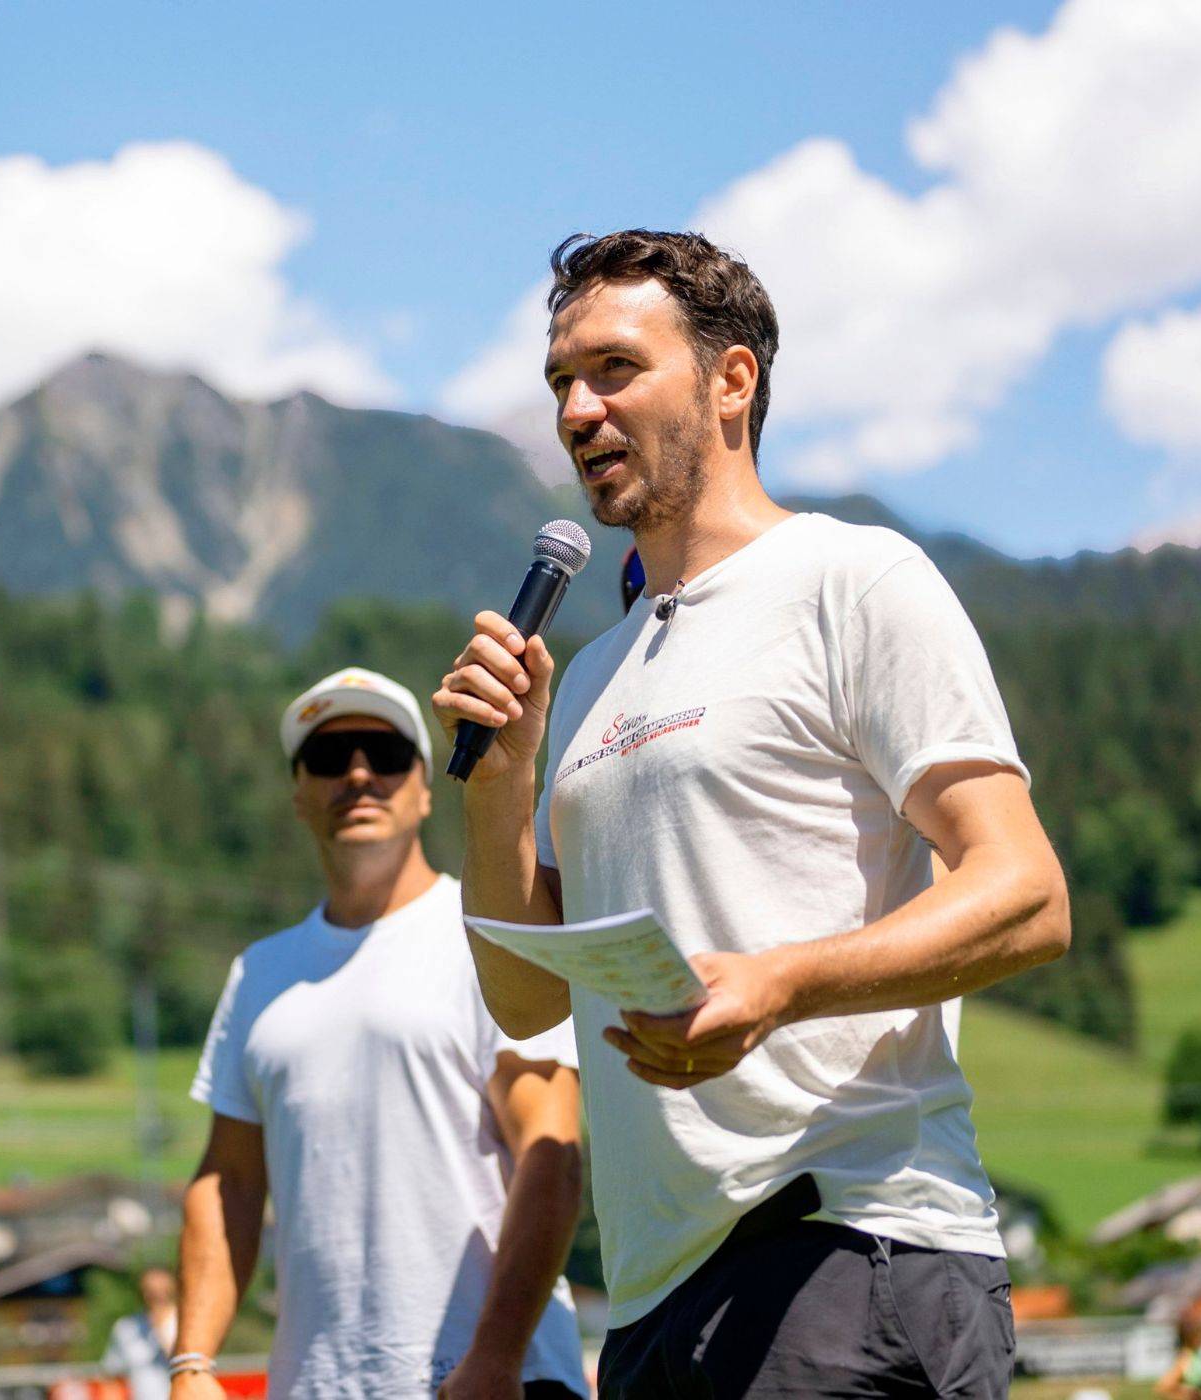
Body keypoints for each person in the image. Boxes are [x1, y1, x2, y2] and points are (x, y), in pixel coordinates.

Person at [434, 229, 1071, 1398]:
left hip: (846, 1251)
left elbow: (1024, 894)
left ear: (731, 381)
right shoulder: (589, 676)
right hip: (652, 1296)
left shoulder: (851, 580)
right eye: (559, 382)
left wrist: (779, 983)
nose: (576, 410)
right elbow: (525, 996)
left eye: (614, 369)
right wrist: (499, 785)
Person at [171, 667, 590, 1400]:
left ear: (427, 788)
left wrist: (495, 1356)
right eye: (329, 759)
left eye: (386, 754)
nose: (359, 774)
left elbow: (551, 1158)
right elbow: (226, 1180)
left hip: (489, 1380)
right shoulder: (258, 975)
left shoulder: (493, 937)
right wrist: (192, 1362)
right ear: (299, 795)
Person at [102, 1266, 178, 1400]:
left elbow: (184, 1362)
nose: (155, 1295)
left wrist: (159, 1327)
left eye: (160, 1290)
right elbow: (112, 1377)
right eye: (150, 1290)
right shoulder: (125, 1327)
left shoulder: (185, 1324)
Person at [1157, 1315, 1201, 1400]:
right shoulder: (1185, 1358)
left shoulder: (1196, 1354)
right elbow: (1163, 1387)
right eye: (1200, 1334)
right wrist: (1186, 1393)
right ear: (1192, 1336)